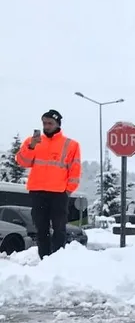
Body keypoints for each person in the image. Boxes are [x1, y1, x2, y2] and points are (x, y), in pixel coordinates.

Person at [14, 110, 82, 258]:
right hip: (37, 192)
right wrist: (31, 147)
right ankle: (44, 259)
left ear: (58, 124)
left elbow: (75, 170)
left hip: (59, 193)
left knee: (59, 228)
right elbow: (22, 162)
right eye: (44, 123)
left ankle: (57, 260)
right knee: (41, 229)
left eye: (50, 123)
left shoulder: (71, 145)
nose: (46, 126)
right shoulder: (33, 141)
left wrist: (68, 190)